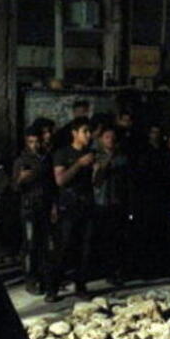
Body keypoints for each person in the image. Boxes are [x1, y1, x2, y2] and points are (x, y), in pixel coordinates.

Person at [45, 117, 96, 302]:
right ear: (75, 133)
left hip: (86, 205)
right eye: (85, 131)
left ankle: (81, 286)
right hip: (68, 206)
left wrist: (99, 169)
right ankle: (52, 288)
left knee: (85, 248)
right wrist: (79, 164)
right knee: (63, 248)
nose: (88, 135)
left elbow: (95, 182)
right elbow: (60, 180)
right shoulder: (62, 153)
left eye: (89, 131)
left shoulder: (91, 154)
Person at [12, 126, 55, 294]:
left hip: (44, 205)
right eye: (31, 142)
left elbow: (51, 184)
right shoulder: (21, 161)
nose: (35, 145)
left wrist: (54, 205)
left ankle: (44, 277)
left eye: (37, 142)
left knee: (45, 245)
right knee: (31, 244)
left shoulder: (46, 158)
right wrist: (21, 179)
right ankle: (31, 279)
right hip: (29, 207)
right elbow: (14, 187)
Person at [93, 126, 130, 286]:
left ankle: (118, 271)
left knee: (118, 239)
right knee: (104, 239)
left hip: (118, 202)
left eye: (113, 137)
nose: (110, 140)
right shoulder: (96, 157)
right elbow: (96, 181)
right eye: (107, 137)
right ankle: (106, 270)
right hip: (101, 202)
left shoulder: (122, 158)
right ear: (101, 140)